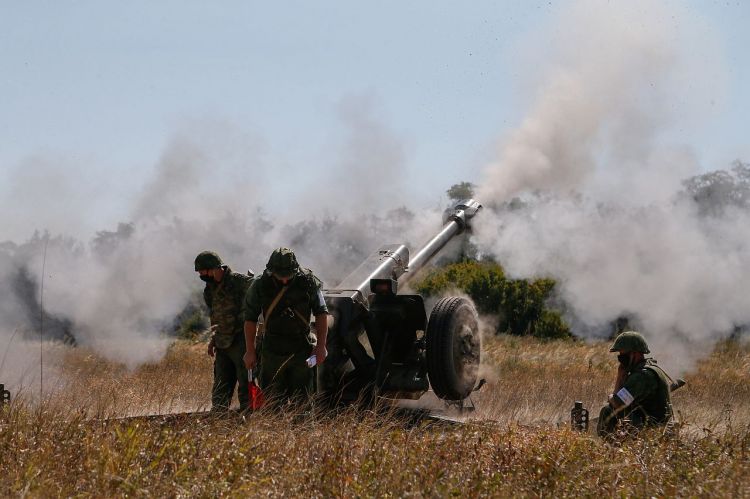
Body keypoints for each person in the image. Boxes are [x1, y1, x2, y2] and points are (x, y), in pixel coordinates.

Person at [242, 247, 328, 404]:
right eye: (279, 276)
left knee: (303, 404)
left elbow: (321, 314)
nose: (284, 281)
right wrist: (250, 351)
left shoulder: (308, 282)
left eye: (288, 276)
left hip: (302, 349)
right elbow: (250, 319)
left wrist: (321, 346)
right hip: (271, 350)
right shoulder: (260, 285)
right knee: (272, 402)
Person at [194, 250, 254, 412]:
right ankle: (219, 424)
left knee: (246, 387)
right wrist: (213, 340)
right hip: (222, 344)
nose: (201, 275)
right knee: (221, 388)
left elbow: (257, 307)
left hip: (241, 342)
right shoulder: (209, 290)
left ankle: (250, 423)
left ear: (214, 268)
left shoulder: (240, 282)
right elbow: (215, 317)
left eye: (202, 271)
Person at [596, 331, 673, 437]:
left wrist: (612, 395)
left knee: (607, 411)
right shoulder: (647, 367)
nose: (621, 358)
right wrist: (621, 375)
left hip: (654, 427)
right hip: (656, 422)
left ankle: (610, 449)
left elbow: (618, 403)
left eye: (623, 354)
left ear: (635, 353)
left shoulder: (641, 376)